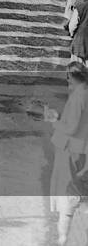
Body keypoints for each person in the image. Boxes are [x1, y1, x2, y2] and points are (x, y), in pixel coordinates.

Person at [47, 62, 88, 246]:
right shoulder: (83, 93)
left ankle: (63, 239)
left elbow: (71, 128)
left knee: (68, 193)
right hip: (80, 149)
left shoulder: (79, 96)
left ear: (71, 77)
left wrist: (55, 121)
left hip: (71, 150)